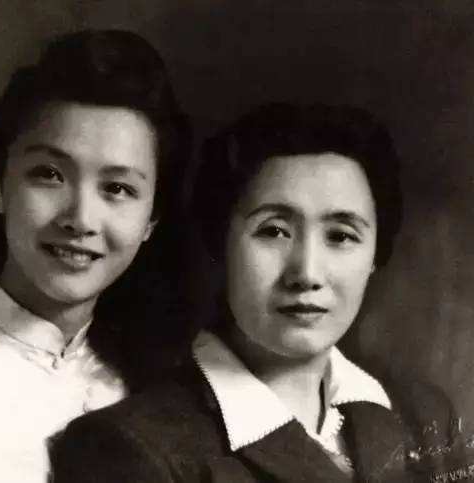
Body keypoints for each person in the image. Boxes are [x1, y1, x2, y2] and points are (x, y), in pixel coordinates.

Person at [50, 103, 466, 482]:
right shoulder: (131, 449)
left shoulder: (424, 417)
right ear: (221, 243)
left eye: (340, 236)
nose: (306, 273)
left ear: (375, 254)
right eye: (274, 231)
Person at [0, 29, 191, 483]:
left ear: (151, 221)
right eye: (49, 174)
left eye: (118, 188)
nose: (81, 219)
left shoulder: (169, 392)